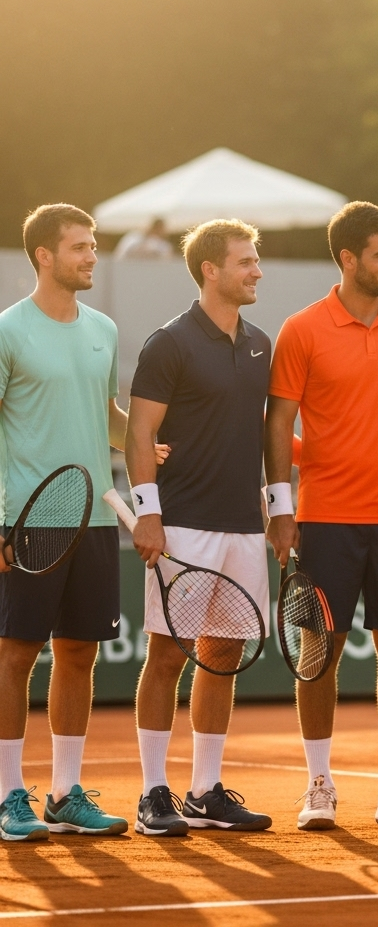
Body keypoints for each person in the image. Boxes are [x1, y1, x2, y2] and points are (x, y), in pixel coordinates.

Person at [265, 201, 378, 831]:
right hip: (325, 520)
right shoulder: (302, 329)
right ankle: (319, 786)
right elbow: (278, 423)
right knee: (321, 651)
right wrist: (280, 505)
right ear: (347, 259)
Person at [127, 219, 273, 836]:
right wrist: (149, 512)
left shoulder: (262, 342)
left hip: (243, 525)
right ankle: (152, 792)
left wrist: (276, 507)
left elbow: (261, 433)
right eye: (245, 261)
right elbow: (139, 433)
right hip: (182, 524)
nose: (256, 270)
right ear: (210, 270)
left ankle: (205, 791)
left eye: (256, 259)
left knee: (223, 655)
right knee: (167, 655)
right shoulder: (169, 343)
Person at [0, 204, 130, 840]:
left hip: (96, 521)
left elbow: (105, 412)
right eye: (79, 246)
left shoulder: (104, 327)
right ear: (44, 256)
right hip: (26, 518)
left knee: (77, 652)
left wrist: (149, 445)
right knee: (16, 653)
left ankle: (64, 794)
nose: (91, 255)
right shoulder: (7, 332)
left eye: (93, 244)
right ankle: (7, 796)